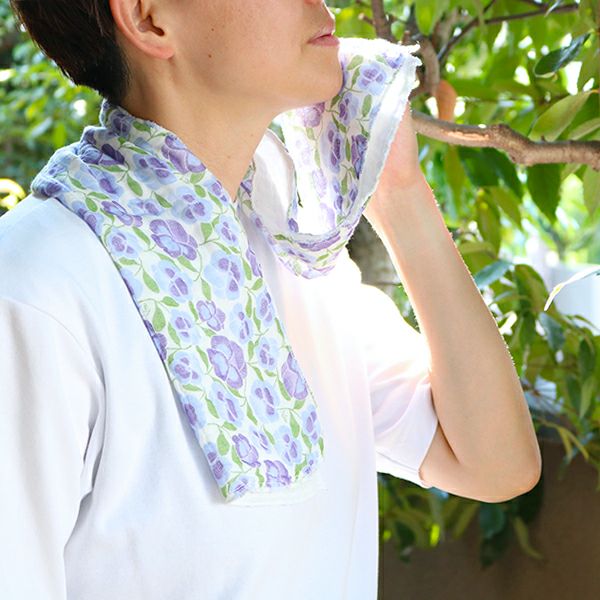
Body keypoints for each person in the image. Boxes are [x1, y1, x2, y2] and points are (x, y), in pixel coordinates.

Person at [1, 1, 542, 599]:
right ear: (150, 19)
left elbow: (495, 463)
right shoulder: (36, 289)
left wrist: (399, 192)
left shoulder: (291, 251)